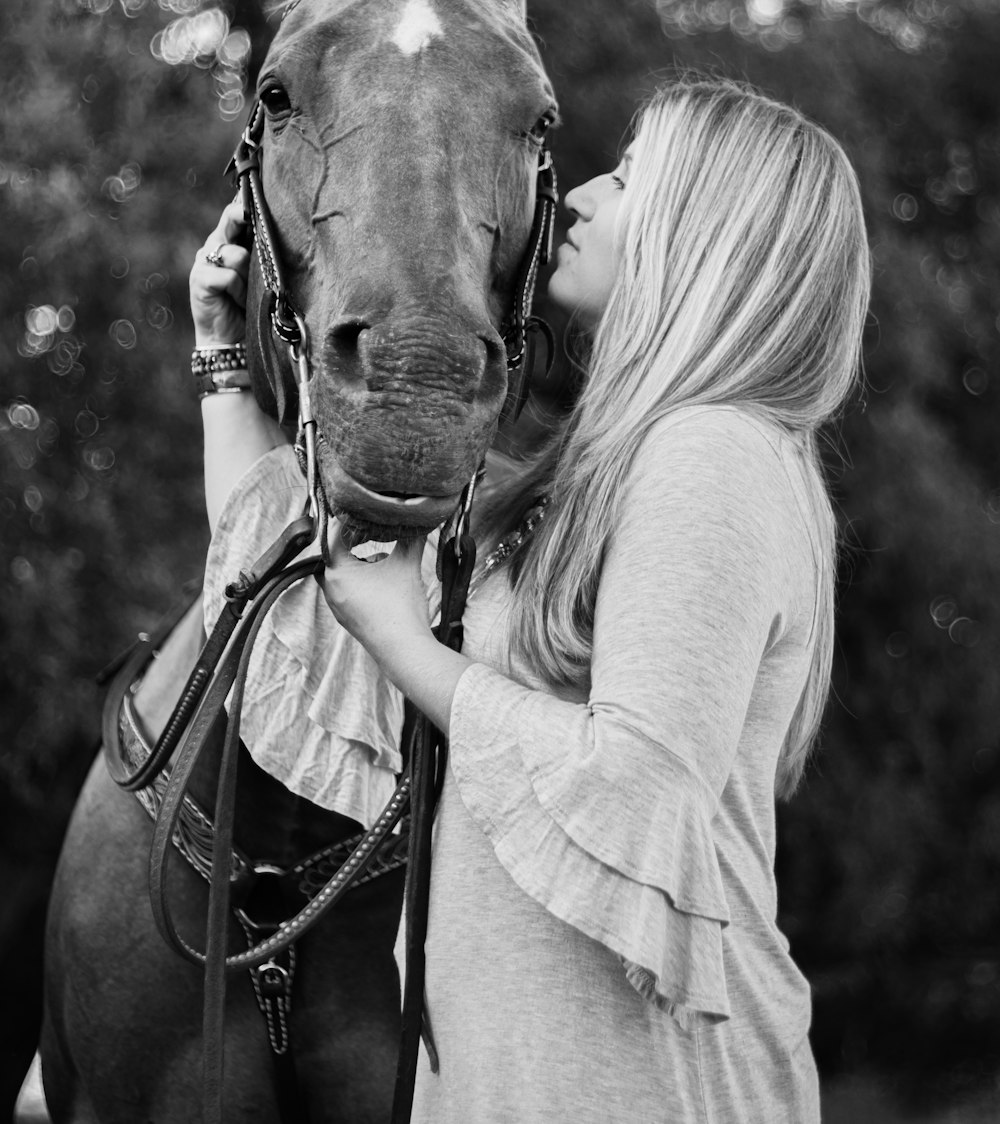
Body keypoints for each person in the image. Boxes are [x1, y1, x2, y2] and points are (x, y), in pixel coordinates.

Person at [190, 76, 871, 1123]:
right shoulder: (592, 473)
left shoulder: (713, 454)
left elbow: (636, 780)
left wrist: (408, 646)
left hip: (647, 1087)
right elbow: (292, 592)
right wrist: (223, 356)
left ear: (709, 232)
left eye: (633, 177)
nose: (585, 193)